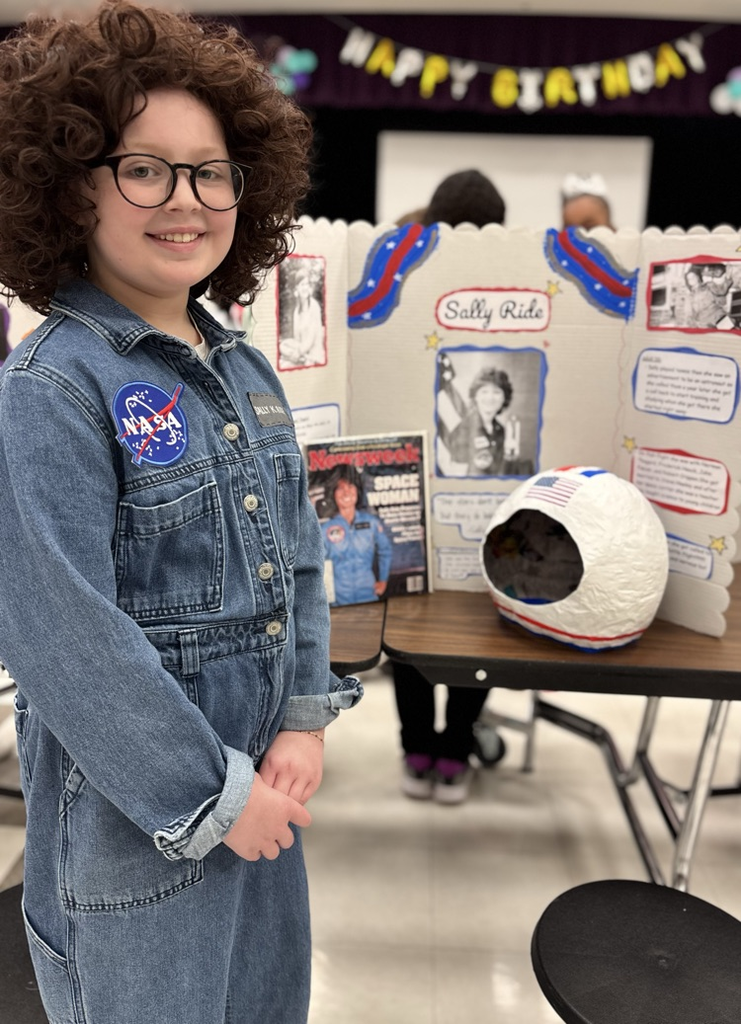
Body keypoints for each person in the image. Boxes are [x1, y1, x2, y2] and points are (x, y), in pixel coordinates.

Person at [0, 5, 363, 1023]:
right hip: (139, 835)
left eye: (210, 171)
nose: (186, 200)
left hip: (264, 813)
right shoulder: (52, 387)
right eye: (145, 168)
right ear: (72, 182)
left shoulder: (243, 369)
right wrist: (211, 792)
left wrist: (302, 714)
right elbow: (64, 636)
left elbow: (297, 559)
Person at [393, 171, 506, 806]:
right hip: (426, 470)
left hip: (467, 479)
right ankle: (436, 748)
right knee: (429, 617)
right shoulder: (406, 269)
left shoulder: (503, 271)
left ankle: (444, 747)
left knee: (452, 617)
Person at [320, 465, 392, 606]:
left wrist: (383, 581)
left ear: (357, 490)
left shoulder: (371, 523)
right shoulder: (325, 529)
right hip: (339, 602)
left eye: (350, 486)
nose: (346, 493)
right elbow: (320, 564)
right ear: (333, 493)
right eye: (340, 488)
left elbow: (386, 550)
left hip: (369, 597)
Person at [446, 365, 521, 477]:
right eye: (484, 392)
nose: (490, 398)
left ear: (504, 398)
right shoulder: (463, 431)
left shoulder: (503, 432)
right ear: (475, 396)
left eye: (496, 392)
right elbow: (458, 476)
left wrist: (510, 457)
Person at [279, 264, 325, 367]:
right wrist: (295, 350)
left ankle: (298, 358)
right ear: (297, 289)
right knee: (282, 345)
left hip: (313, 354)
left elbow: (311, 339)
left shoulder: (314, 307)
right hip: (301, 352)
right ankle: (297, 358)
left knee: (286, 363)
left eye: (307, 284)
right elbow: (297, 339)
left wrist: (298, 352)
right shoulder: (297, 311)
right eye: (302, 284)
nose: (305, 287)